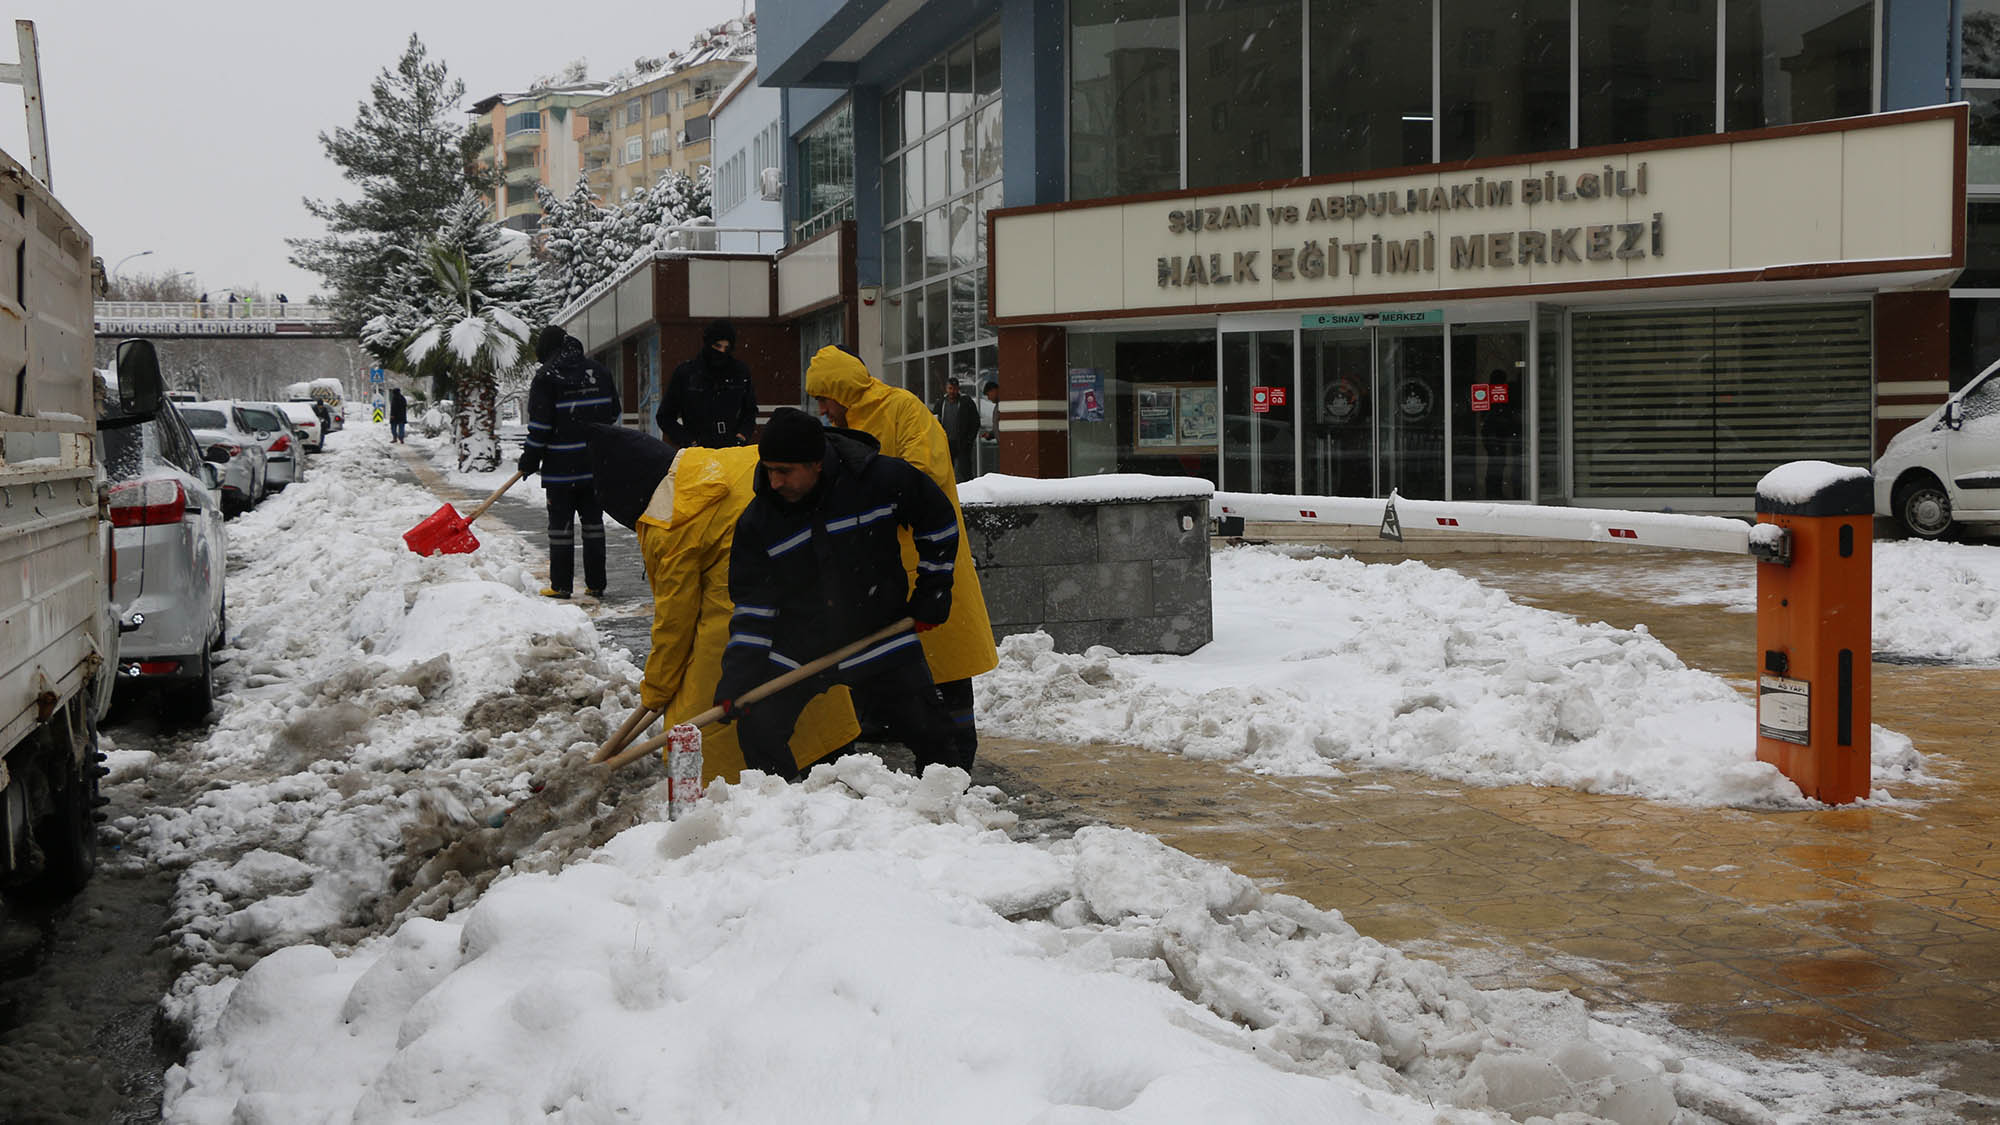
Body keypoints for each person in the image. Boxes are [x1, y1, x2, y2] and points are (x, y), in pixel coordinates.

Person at [582, 422, 858, 786]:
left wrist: (657, 690)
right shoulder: (718, 460)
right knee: (805, 669)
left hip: (743, 599)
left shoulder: (666, 523)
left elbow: (675, 623)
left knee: (695, 715)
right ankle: (832, 754)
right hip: (807, 581)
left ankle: (709, 792)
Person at [717, 408, 962, 780]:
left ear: (817, 464)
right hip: (801, 643)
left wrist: (933, 591)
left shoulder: (878, 480)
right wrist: (740, 678)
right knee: (758, 728)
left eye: (784, 471)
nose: (774, 481)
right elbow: (753, 608)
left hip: (878, 630)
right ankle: (778, 815)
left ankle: (946, 813)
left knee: (934, 734)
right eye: (768, 469)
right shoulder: (759, 522)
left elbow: (938, 521)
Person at [805, 346, 999, 769]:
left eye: (824, 398)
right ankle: (892, 739)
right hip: (879, 569)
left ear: (840, 390)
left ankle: (957, 758)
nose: (821, 409)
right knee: (889, 665)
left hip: (928, 560)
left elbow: (923, 477)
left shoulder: (903, 409)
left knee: (946, 666)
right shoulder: (843, 429)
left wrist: (866, 501)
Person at [519, 326, 620, 599]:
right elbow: (614, 412)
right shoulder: (598, 371)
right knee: (593, 526)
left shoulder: (547, 377)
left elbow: (540, 426)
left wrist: (529, 460)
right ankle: (596, 584)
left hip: (561, 469)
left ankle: (561, 585)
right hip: (594, 465)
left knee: (561, 529)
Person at [657, 319, 758, 448]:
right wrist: (689, 441)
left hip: (732, 451)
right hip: (698, 453)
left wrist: (742, 436)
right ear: (708, 344)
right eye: (717, 346)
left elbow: (750, 410)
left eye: (726, 348)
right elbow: (665, 416)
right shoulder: (686, 374)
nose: (722, 352)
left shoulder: (740, 373)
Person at [933, 376, 980, 483]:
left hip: (962, 442)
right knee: (946, 471)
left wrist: (969, 440)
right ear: (946, 389)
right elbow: (934, 422)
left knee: (965, 470)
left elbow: (975, 422)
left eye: (954, 389)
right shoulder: (940, 403)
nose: (952, 391)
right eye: (950, 388)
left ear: (958, 389)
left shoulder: (966, 402)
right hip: (946, 443)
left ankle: (969, 490)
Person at [976, 379, 999, 477]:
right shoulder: (998, 406)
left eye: (988, 394)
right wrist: (991, 434)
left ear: (994, 390)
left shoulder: (1004, 406)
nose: (989, 398)